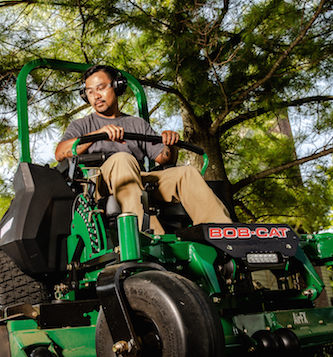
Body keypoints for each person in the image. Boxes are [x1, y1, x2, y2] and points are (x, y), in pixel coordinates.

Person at [55, 64, 232, 233]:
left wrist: (170, 145)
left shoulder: (137, 124)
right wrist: (97, 134)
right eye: (90, 92)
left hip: (137, 178)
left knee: (186, 173)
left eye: (100, 88)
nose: (96, 96)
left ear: (117, 86)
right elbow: (60, 153)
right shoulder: (81, 125)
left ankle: (222, 234)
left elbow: (165, 159)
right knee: (122, 159)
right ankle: (151, 236)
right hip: (98, 182)